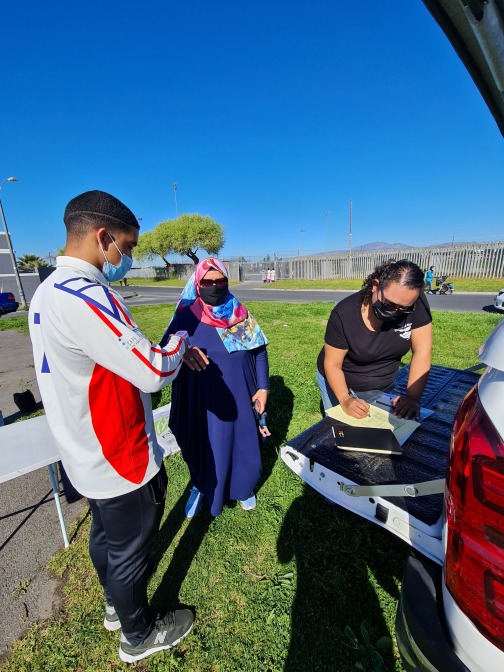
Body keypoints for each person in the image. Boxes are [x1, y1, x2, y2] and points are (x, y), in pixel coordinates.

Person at [28, 190, 208, 664]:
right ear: (103, 237)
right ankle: (138, 634)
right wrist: (180, 338)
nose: (126, 259)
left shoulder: (46, 291)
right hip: (117, 452)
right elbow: (152, 369)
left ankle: (115, 604)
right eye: (126, 248)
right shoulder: (84, 295)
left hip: (82, 446)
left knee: (106, 535)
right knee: (131, 547)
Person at [161, 257, 271, 518]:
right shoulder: (186, 315)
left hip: (239, 392)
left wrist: (264, 387)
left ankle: (243, 487)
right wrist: (184, 349)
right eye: (207, 282)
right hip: (201, 399)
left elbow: (259, 351)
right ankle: (200, 485)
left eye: (220, 281)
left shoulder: (239, 314)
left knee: (242, 441)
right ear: (197, 284)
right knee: (202, 442)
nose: (214, 286)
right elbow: (166, 348)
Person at [316, 259, 432, 420]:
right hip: (342, 381)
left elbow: (422, 351)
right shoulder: (344, 314)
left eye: (404, 309)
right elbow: (332, 364)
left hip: (385, 382)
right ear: (375, 286)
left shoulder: (415, 303)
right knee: (339, 428)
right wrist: (345, 399)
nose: (396, 313)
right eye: (389, 305)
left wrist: (413, 397)